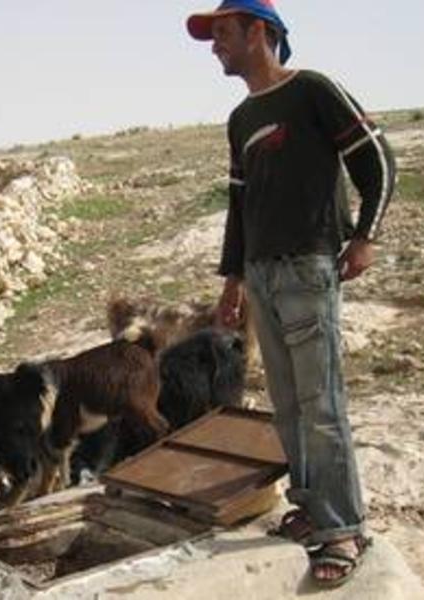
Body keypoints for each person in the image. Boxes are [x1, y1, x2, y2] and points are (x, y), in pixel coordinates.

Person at [186, 0, 396, 588]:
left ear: (261, 31)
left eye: (223, 32)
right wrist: (232, 281)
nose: (215, 45)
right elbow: (238, 205)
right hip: (262, 275)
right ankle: (311, 507)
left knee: (321, 402)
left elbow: (378, 158)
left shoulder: (312, 90)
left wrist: (365, 236)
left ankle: (344, 528)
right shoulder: (240, 117)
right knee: (288, 404)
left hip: (308, 268)